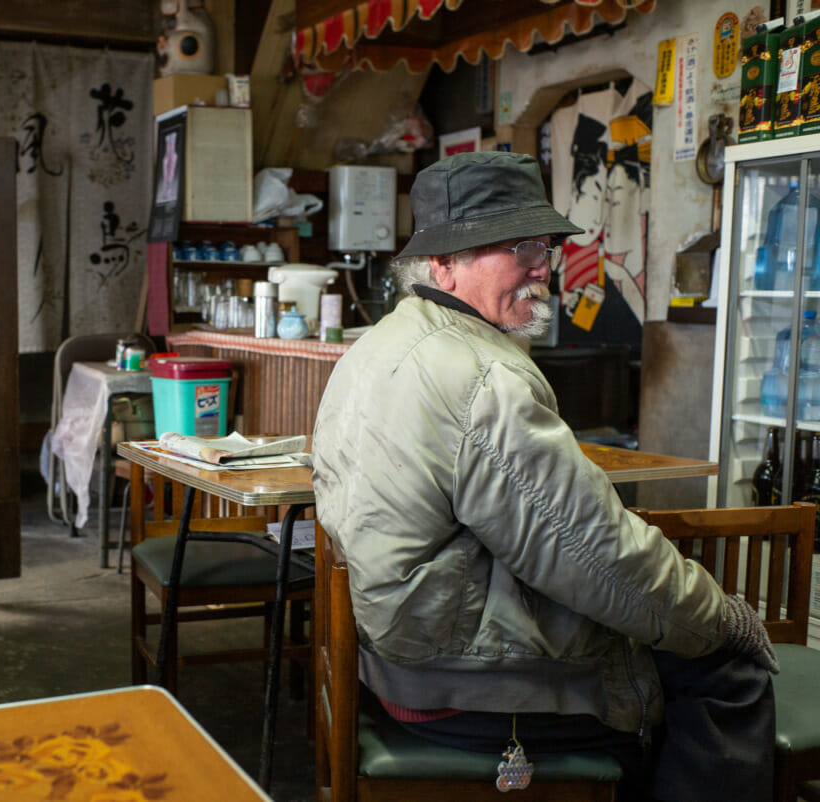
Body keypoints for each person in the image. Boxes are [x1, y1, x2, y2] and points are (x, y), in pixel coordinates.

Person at [310, 151, 777, 802]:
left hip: (399, 651)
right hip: (460, 679)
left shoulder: (377, 345)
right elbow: (598, 557)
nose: (542, 266)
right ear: (443, 262)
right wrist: (725, 620)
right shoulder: (479, 379)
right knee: (725, 669)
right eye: (514, 247)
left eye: (544, 245)